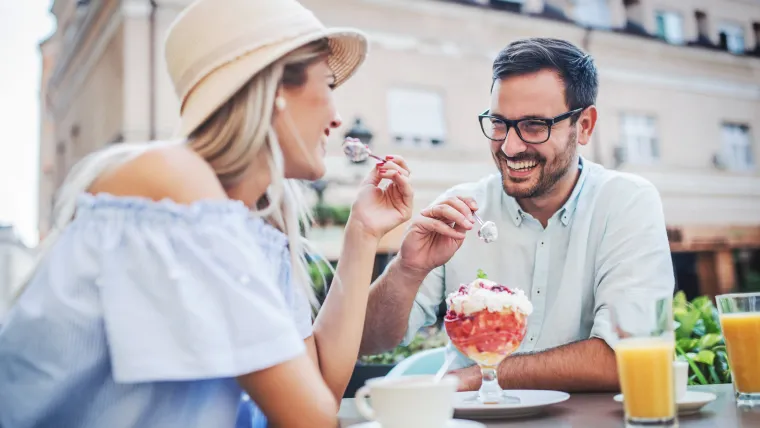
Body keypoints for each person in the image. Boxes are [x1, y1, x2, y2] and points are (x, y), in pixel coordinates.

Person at [0, 1, 413, 427]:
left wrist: (362, 232)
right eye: (328, 84)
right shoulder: (171, 183)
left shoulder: (253, 224)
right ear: (275, 90)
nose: (337, 117)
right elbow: (308, 419)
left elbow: (319, 391)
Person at [360, 38, 674, 393]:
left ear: (584, 125)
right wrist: (407, 269)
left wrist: (479, 378)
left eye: (534, 126)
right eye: (499, 124)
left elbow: (627, 357)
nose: (510, 147)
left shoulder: (627, 202)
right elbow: (370, 341)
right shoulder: (459, 210)